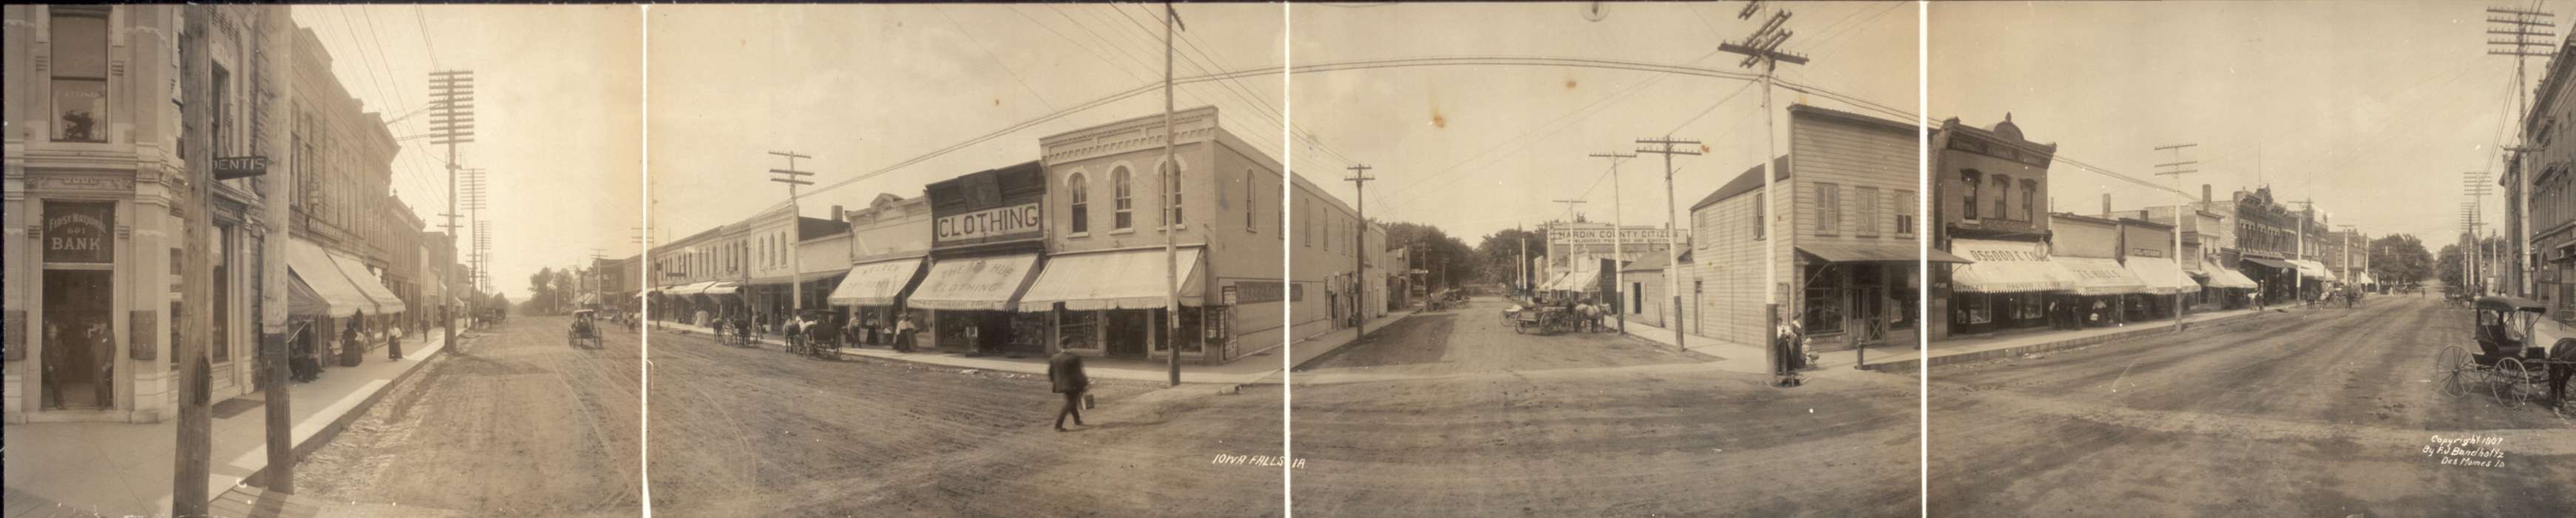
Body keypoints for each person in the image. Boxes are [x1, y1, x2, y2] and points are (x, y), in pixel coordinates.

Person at [1048, 348, 1090, 431]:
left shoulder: (1054, 357)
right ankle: (1058, 426)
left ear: (1060, 346)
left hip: (1061, 385)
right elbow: (1079, 373)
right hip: (1073, 384)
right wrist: (1085, 383)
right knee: (1069, 403)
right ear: (1070, 345)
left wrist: (1056, 382)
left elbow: (1050, 373)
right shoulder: (1074, 357)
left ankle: (1077, 420)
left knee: (1071, 401)